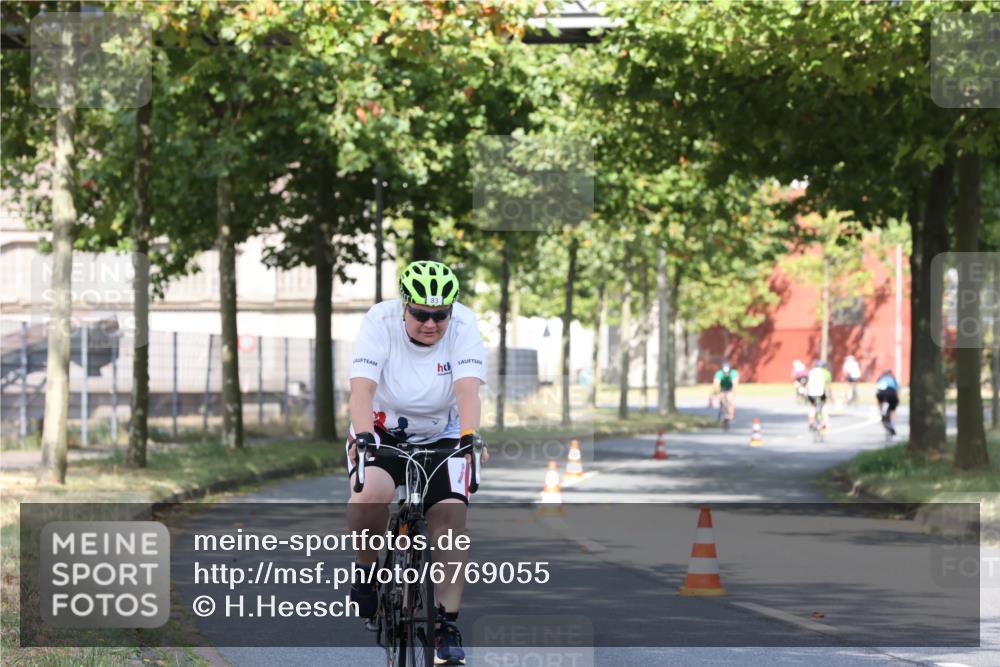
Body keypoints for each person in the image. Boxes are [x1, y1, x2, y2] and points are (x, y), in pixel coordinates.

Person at [346, 260, 488, 665]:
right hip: (383, 428)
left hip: (444, 432)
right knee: (370, 493)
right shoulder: (380, 320)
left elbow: (467, 390)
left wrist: (468, 438)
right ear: (404, 305)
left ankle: (446, 623)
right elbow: (362, 389)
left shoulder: (463, 325)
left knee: (450, 516)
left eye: (440, 315)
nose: (431, 323)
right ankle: (366, 570)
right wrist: (363, 436)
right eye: (421, 314)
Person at [806, 359, 833, 431]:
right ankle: (825, 422)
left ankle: (811, 422)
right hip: (821, 392)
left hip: (811, 392)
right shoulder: (826, 372)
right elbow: (829, 386)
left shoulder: (811, 372)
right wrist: (831, 395)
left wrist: (806, 393)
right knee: (824, 406)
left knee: (812, 406)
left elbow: (808, 383)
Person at [875, 369, 900, 435]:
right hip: (891, 392)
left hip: (881, 393)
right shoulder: (893, 378)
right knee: (893, 409)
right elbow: (897, 390)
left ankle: (881, 413)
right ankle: (893, 424)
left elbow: (877, 389)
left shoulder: (880, 378)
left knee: (880, 401)